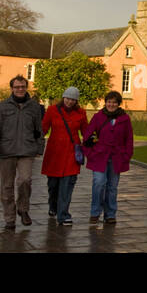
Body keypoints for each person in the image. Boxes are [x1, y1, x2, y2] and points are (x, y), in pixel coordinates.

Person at [0, 75, 44, 231]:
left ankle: (23, 208)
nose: (20, 89)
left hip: (27, 150)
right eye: (17, 87)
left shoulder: (34, 107)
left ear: (26, 88)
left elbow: (39, 129)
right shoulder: (3, 106)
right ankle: (10, 218)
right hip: (7, 151)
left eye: (23, 87)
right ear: (12, 88)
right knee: (7, 186)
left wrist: (40, 148)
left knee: (25, 180)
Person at [82, 91, 133, 225]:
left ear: (118, 104)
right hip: (99, 156)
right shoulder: (98, 117)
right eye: (109, 102)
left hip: (116, 157)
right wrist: (90, 153)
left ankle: (110, 214)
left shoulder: (125, 119)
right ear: (105, 103)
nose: (111, 104)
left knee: (112, 187)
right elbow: (87, 136)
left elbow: (129, 139)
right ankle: (95, 212)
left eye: (114, 102)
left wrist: (127, 155)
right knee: (99, 183)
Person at [40, 86, 87, 226]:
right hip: (54, 154)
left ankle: (64, 214)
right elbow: (43, 129)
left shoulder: (81, 113)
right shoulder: (52, 110)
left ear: (76, 101)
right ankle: (53, 206)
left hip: (71, 154)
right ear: (63, 97)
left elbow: (86, 132)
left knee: (67, 186)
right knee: (53, 186)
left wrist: (94, 143)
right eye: (67, 98)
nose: (70, 101)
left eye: (73, 99)